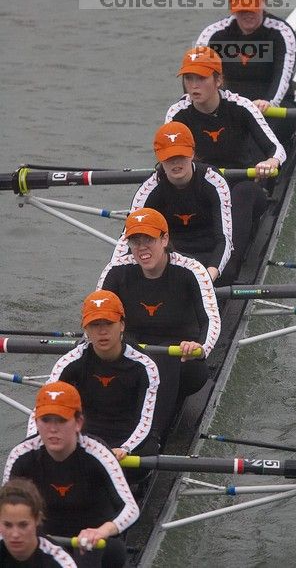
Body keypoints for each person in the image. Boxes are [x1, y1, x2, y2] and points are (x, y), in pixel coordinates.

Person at [97, 207, 221, 444]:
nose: (142, 248)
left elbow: (211, 319)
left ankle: (151, 437)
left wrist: (200, 346)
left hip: (183, 362)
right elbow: (97, 315)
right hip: (135, 355)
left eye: (149, 240)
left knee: (165, 359)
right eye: (135, 241)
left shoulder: (191, 270)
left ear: (165, 239)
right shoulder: (116, 271)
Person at [165, 45, 287, 278]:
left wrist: (270, 162)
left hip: (241, 186)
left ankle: (228, 271)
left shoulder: (241, 106)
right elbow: (170, 157)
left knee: (244, 193)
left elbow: (277, 149)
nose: (193, 86)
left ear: (218, 80)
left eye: (200, 78)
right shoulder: (177, 114)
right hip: (203, 187)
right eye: (188, 79)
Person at [3, 382, 139, 568]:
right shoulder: (21, 455)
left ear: (78, 422)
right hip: (41, 540)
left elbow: (131, 509)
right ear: (36, 422)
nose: (53, 429)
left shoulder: (97, 453)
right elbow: (5, 510)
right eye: (46, 420)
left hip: (90, 542)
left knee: (113, 550)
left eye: (61, 420)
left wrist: (101, 532)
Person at [28, 291, 159, 463]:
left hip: (129, 442)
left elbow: (145, 421)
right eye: (95, 324)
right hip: (86, 440)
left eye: (108, 323)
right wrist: (32, 446)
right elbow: (41, 408)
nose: (102, 331)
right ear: (86, 329)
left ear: (122, 325)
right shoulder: (70, 362)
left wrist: (125, 448)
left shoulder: (144, 366)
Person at [110, 121, 233, 283]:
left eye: (180, 156)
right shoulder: (149, 189)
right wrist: (111, 276)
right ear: (159, 158)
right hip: (171, 256)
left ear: (192, 153)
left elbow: (224, 239)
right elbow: (126, 239)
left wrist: (208, 277)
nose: (175, 163)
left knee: (229, 271)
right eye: (169, 158)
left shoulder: (214, 180)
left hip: (209, 254)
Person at [196, 0, 296, 141]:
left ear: (263, 2)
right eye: (242, 9)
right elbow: (195, 75)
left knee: (262, 137)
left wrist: (269, 102)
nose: (247, 14)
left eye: (252, 8)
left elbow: (281, 76)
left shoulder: (281, 33)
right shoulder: (213, 35)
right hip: (229, 105)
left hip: (270, 106)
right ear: (232, 7)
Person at [0, 477, 77, 567]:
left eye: (23, 525)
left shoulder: (60, 562)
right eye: (7, 525)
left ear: (37, 519)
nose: (15, 534)